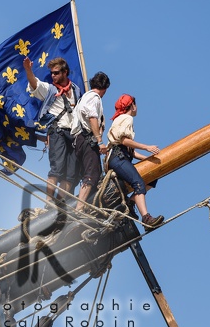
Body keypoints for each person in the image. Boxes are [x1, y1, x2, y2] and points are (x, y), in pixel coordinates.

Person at [23, 56, 82, 205]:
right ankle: (49, 202)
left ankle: (60, 202)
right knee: (57, 169)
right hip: (58, 132)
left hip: (73, 134)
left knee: (70, 173)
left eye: (56, 73)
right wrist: (28, 70)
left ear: (65, 72)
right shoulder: (50, 89)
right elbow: (34, 83)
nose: (53, 76)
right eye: (52, 73)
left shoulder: (76, 89)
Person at [106, 94, 164, 229]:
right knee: (138, 183)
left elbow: (129, 150)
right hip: (118, 158)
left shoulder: (120, 119)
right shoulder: (127, 118)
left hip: (121, 157)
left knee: (152, 178)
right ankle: (146, 219)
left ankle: (131, 203)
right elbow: (124, 141)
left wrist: (148, 160)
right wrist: (147, 147)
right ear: (132, 105)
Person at [70, 71, 111, 211]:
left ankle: (86, 206)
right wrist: (100, 141)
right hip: (87, 139)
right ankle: (79, 209)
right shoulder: (94, 98)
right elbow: (92, 117)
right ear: (105, 88)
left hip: (79, 140)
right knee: (91, 174)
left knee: (93, 174)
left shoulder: (84, 98)